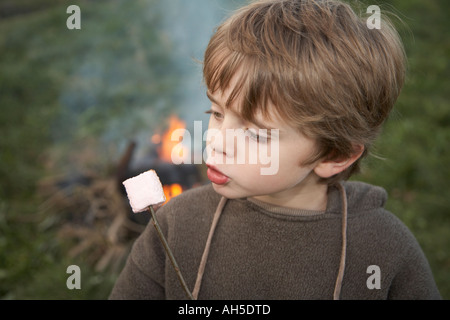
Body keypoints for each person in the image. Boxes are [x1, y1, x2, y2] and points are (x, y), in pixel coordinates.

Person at [109, 0, 441, 299]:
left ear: (334, 155)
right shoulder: (178, 223)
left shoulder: (383, 247)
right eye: (217, 113)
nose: (217, 141)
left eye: (255, 134)